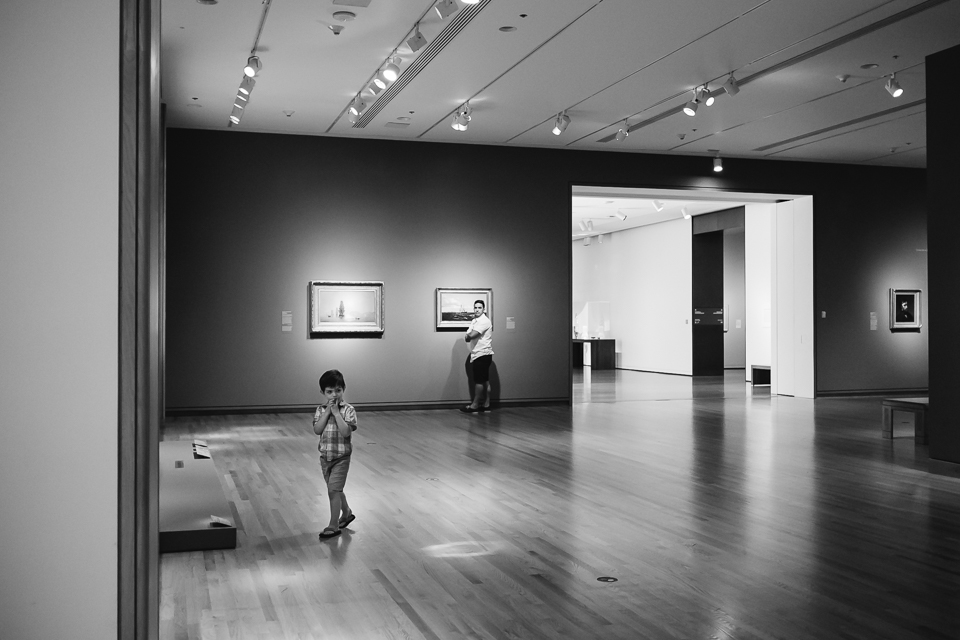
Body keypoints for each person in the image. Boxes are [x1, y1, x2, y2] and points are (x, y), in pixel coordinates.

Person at [313, 369, 358, 538]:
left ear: (343, 389)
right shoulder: (320, 410)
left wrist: (337, 413)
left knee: (333, 490)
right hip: (325, 457)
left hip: (341, 458)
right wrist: (327, 412)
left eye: (338, 390)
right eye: (329, 391)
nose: (334, 395)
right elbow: (317, 430)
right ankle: (346, 512)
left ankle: (333, 525)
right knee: (335, 489)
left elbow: (346, 432)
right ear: (323, 392)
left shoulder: (348, 410)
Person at [461, 299, 494, 413]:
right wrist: (469, 335)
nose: (477, 309)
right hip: (479, 354)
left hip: (482, 354)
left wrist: (469, 335)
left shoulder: (484, 321)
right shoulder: (475, 320)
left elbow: (471, 335)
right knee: (485, 380)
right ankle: (486, 404)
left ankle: (475, 405)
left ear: (484, 309)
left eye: (479, 307)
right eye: (475, 307)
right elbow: (467, 336)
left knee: (479, 381)